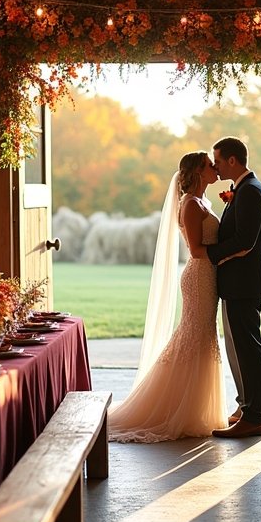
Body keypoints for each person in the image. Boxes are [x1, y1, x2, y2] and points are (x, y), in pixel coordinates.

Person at [108, 151, 228, 442]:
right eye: (209, 165)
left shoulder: (203, 202)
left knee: (200, 337)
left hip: (207, 276)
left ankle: (196, 407)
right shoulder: (190, 204)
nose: (215, 169)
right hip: (199, 276)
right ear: (198, 172)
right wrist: (233, 252)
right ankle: (175, 409)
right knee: (193, 337)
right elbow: (197, 250)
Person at [207, 136, 261, 439]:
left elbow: (246, 242)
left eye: (218, 160)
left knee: (248, 348)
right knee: (237, 347)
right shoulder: (242, 190)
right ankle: (246, 406)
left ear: (233, 160)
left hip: (245, 283)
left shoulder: (251, 192)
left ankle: (256, 417)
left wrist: (211, 255)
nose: (215, 166)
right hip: (237, 283)